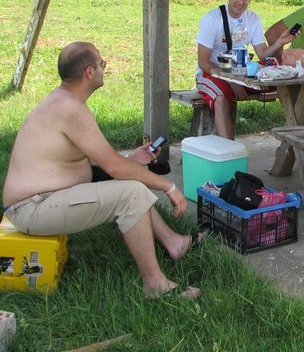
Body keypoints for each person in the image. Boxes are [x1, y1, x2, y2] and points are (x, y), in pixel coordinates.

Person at [2, 42, 202, 300]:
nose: (104, 68)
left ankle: (175, 243)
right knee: (130, 194)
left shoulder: (64, 101)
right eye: (102, 63)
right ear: (89, 72)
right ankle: (155, 284)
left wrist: (130, 159)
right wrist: (169, 186)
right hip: (32, 208)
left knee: (130, 183)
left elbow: (98, 159)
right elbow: (113, 167)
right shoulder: (71, 109)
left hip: (39, 200)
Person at [196, 0, 297, 139]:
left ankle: (297, 134)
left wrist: (280, 41)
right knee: (221, 99)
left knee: (283, 78)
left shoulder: (253, 18)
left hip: (239, 71)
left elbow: (262, 54)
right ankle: (228, 150)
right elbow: (203, 62)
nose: (240, 2)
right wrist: (232, 81)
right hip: (212, 72)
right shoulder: (212, 19)